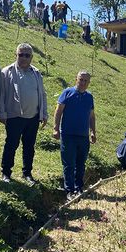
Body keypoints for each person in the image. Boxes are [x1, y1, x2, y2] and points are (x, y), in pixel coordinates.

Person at [0, 43, 48, 184]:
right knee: (11, 145)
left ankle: (27, 173)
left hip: (33, 117)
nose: (24, 58)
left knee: (29, 147)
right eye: (21, 54)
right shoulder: (6, 72)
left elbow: (42, 94)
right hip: (14, 116)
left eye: (27, 55)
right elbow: (0, 95)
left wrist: (44, 113)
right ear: (16, 55)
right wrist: (1, 113)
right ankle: (6, 173)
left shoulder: (36, 73)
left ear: (31, 57)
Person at [53, 71, 96, 200]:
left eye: (85, 81)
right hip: (68, 135)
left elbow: (91, 116)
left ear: (89, 83)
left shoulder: (89, 97)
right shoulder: (67, 93)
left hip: (83, 136)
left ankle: (79, 188)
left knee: (81, 163)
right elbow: (58, 111)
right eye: (80, 80)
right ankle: (69, 190)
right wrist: (56, 128)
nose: (82, 83)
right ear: (76, 79)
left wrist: (93, 132)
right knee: (69, 164)